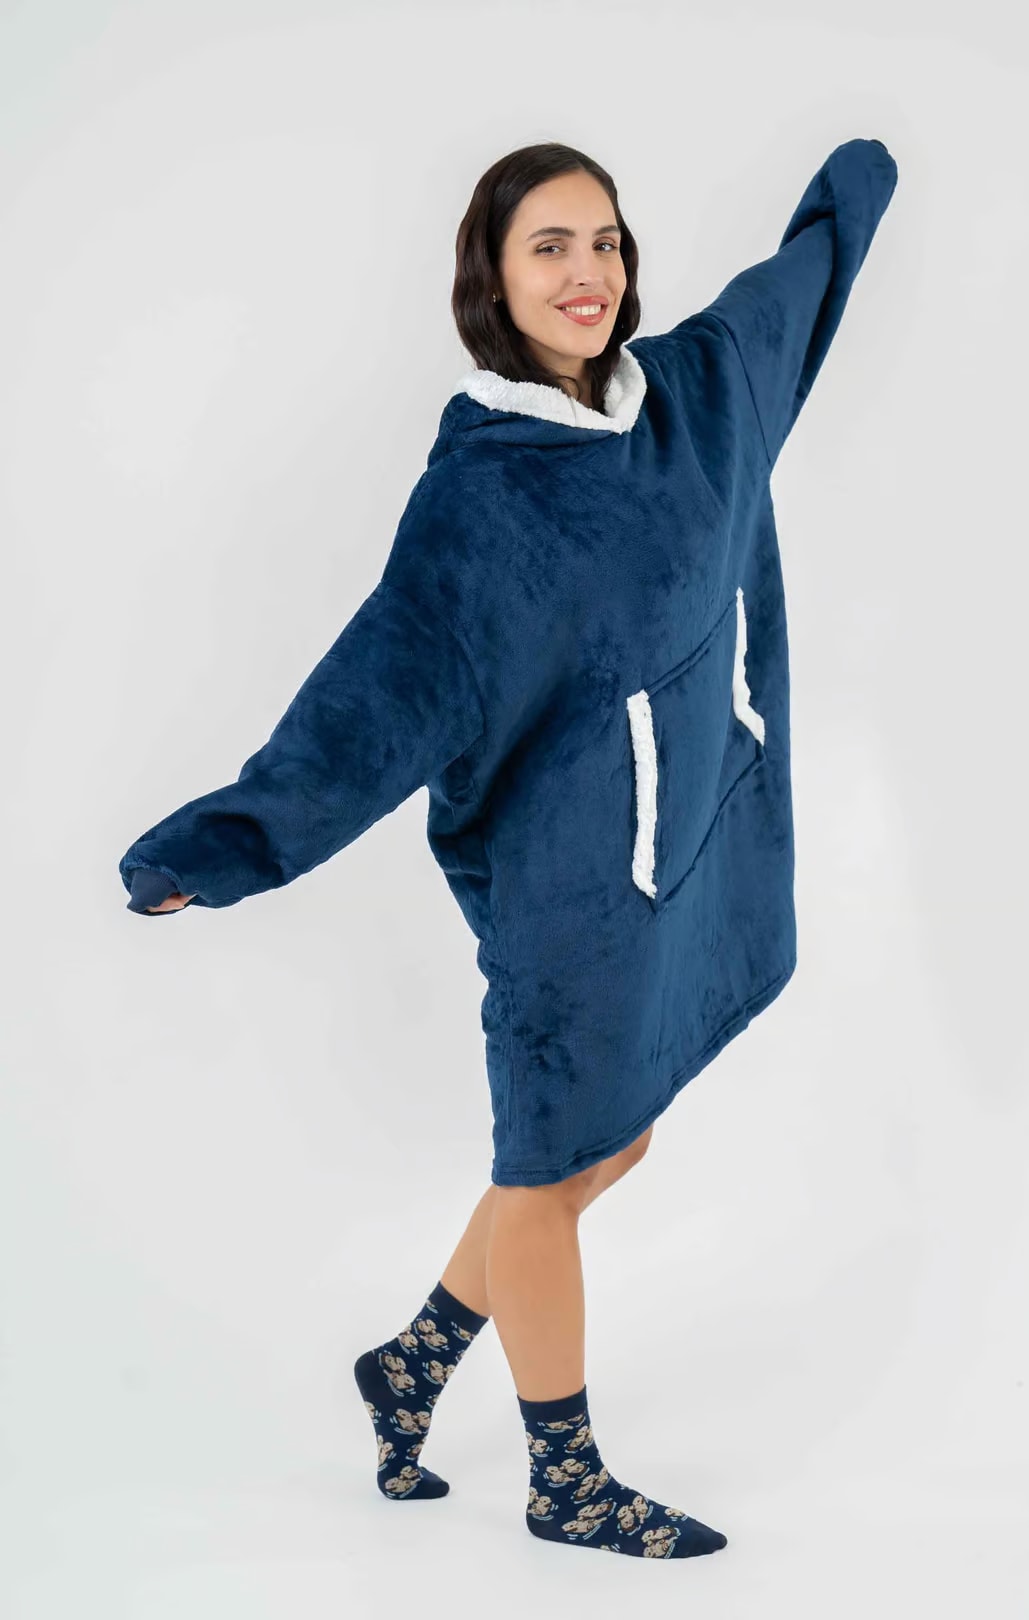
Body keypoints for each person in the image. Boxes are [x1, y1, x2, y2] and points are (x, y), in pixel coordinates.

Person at [119, 135, 898, 1557]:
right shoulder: (481, 497)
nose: (588, 272)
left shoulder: (694, 398)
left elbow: (789, 299)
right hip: (558, 885)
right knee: (548, 1167)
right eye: (550, 246)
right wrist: (225, 848)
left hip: (669, 855)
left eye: (605, 241)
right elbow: (374, 698)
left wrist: (850, 195)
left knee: (615, 1138)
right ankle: (566, 1479)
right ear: (492, 275)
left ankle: (411, 1363)